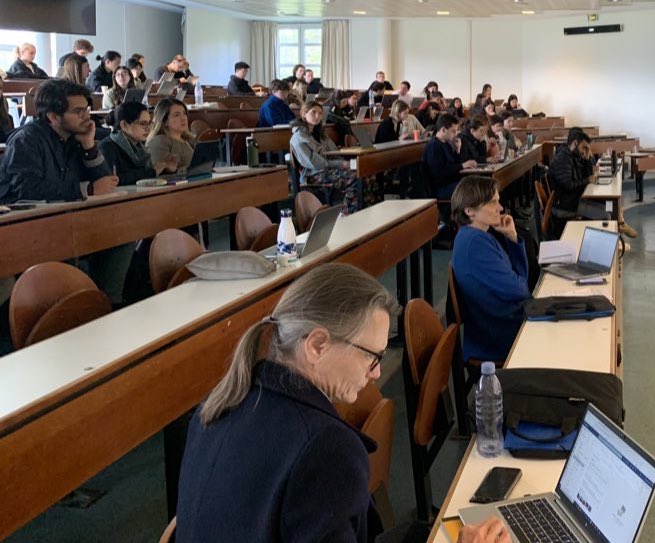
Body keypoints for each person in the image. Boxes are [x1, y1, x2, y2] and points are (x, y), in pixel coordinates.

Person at [176, 263, 510, 543]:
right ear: (317, 345)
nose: (377, 373)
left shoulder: (219, 404)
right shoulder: (326, 450)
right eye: (372, 357)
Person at [0, 79, 132, 302]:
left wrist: (89, 146)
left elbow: (106, 183)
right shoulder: (27, 140)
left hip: (67, 219)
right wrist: (87, 189)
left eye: (87, 110)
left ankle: (107, 303)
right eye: (78, 111)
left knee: (123, 234)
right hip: (26, 228)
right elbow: (26, 189)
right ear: (53, 117)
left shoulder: (76, 138)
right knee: (66, 249)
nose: (86, 116)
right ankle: (78, 308)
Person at [451, 176, 531, 363]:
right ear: (470, 210)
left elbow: (519, 283)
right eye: (493, 202)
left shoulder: (477, 236)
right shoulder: (475, 244)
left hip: (501, 320)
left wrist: (512, 237)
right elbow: (521, 290)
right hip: (500, 331)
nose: (500, 208)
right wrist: (519, 280)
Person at [550, 129, 638, 238]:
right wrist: (586, 180)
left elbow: (587, 175)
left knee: (609, 205)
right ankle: (606, 242)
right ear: (575, 143)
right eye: (584, 147)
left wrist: (587, 158)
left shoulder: (573, 155)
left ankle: (619, 226)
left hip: (574, 199)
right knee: (606, 214)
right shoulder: (563, 159)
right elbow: (568, 185)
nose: (585, 150)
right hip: (567, 206)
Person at [290, 100, 361, 215]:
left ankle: (364, 210)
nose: (317, 116)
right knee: (353, 176)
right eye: (313, 112)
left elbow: (334, 152)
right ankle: (347, 214)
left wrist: (345, 162)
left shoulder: (320, 134)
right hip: (313, 174)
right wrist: (341, 164)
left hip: (328, 169)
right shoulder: (298, 137)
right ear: (304, 114)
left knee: (363, 174)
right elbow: (314, 163)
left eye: (320, 113)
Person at [99, 101, 178, 186]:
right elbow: (114, 180)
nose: (148, 129)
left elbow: (144, 175)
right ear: (124, 125)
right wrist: (153, 171)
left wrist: (166, 169)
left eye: (149, 123)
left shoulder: (139, 145)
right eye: (143, 124)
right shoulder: (107, 147)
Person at [423, 113, 476, 200]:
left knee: (476, 184)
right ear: (443, 130)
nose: (456, 134)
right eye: (453, 131)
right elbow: (439, 172)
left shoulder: (446, 144)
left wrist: (457, 150)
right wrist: (462, 165)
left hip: (450, 183)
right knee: (472, 190)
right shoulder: (433, 146)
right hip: (441, 188)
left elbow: (453, 164)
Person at [146, 98, 194, 175]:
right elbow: (157, 175)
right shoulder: (160, 141)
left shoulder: (189, 139)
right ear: (164, 121)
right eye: (176, 115)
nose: (183, 118)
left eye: (184, 113)